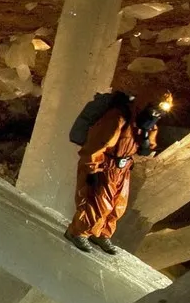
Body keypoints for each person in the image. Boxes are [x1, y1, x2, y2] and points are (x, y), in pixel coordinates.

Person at [64, 84, 174, 254]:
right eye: (154, 110)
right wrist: (91, 169)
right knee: (98, 204)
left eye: (159, 113)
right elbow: (97, 145)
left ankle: (102, 233)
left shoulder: (146, 124)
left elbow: (148, 145)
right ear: (145, 104)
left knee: (118, 206)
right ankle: (78, 232)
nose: (155, 116)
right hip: (105, 165)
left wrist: (146, 142)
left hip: (123, 168)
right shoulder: (118, 118)